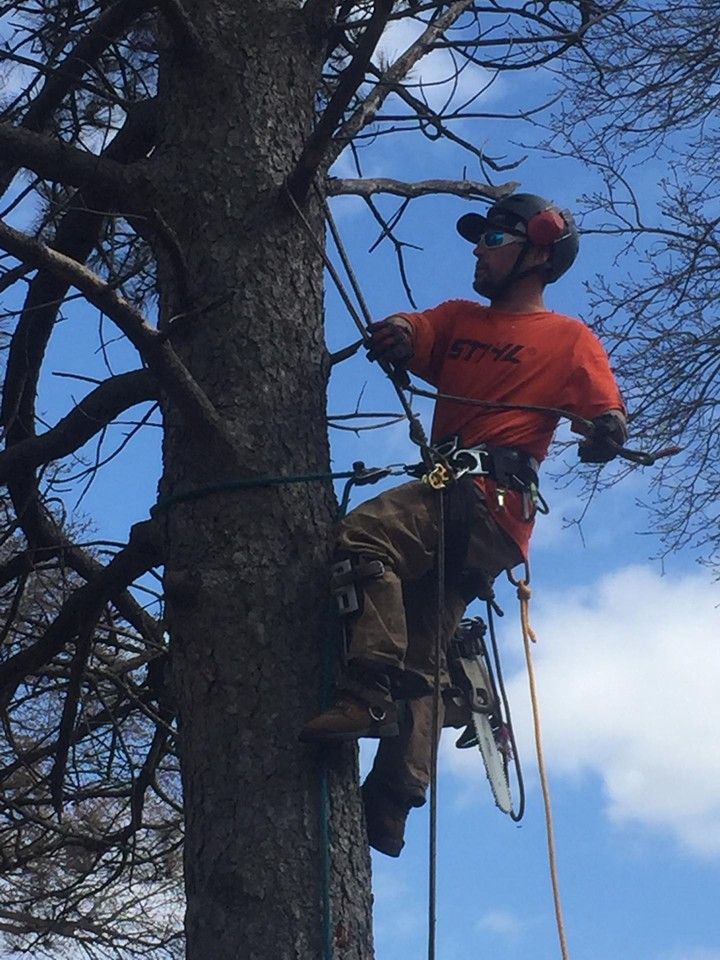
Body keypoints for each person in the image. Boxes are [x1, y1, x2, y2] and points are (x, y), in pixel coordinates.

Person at [300, 193, 627, 857]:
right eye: (481, 239)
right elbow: (417, 330)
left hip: (486, 502)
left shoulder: (568, 340)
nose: (479, 250)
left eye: (495, 239)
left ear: (538, 254)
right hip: (463, 508)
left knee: (364, 537)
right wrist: (398, 333)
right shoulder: (459, 319)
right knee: (424, 641)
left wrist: (606, 432)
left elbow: (604, 411)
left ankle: (367, 687)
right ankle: (392, 799)